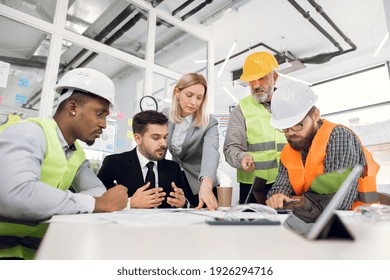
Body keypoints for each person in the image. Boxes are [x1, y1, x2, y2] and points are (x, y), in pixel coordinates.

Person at [0, 68, 128, 259]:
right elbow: (15, 194)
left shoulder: (76, 154)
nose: (104, 124)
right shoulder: (29, 132)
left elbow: (99, 193)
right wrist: (93, 203)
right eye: (99, 113)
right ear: (73, 107)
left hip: (33, 252)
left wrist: (46, 199)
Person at [265, 82, 380, 222]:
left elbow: (338, 201)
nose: (291, 134)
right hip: (313, 224)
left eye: (297, 125)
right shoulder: (289, 151)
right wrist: (278, 197)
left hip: (355, 222)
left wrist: (301, 203)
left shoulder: (339, 136)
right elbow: (281, 186)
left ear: (315, 115)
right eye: (285, 128)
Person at [223, 52, 287, 204]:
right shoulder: (240, 110)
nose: (256, 85)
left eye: (262, 78)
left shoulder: (290, 103)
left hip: (289, 183)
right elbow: (231, 148)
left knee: (290, 226)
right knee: (252, 227)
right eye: (251, 81)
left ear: (275, 78)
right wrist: (241, 158)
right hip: (254, 188)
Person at [97, 110, 192, 208]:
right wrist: (130, 203)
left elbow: (189, 203)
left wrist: (183, 203)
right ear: (138, 138)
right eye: (156, 138)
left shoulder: (174, 168)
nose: (163, 144)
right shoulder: (114, 163)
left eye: (165, 137)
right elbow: (98, 202)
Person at [162, 73, 220, 210]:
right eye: (189, 95)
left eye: (199, 98)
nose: (194, 102)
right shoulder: (165, 115)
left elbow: (211, 153)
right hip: (175, 183)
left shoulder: (209, 122)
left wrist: (206, 184)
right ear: (177, 92)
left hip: (200, 184)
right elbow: (160, 150)